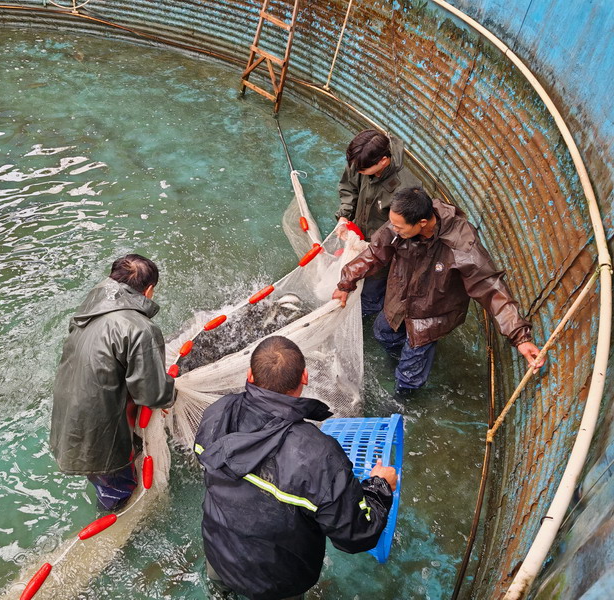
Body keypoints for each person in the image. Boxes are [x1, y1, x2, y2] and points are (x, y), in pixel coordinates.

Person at [194, 336, 397, 600]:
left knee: (221, 591)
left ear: (249, 375)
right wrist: (380, 486)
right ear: (305, 377)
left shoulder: (216, 413)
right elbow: (357, 534)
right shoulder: (319, 455)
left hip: (219, 554)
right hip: (277, 581)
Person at [332, 187, 544, 394]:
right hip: (398, 301)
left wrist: (520, 338)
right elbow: (375, 254)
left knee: (408, 379)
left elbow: (490, 288)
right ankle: (403, 356)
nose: (392, 230)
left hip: (431, 316)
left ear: (422, 223)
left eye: (399, 227)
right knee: (382, 334)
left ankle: (406, 397)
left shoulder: (462, 246)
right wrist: (346, 283)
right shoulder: (401, 223)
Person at [50, 254, 175, 511]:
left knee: (100, 479)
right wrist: (172, 388)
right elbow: (152, 395)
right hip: (100, 439)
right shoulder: (140, 329)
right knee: (117, 491)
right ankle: (115, 519)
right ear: (149, 290)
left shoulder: (87, 311)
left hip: (66, 424)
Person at [336, 129, 422, 316]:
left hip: (383, 251)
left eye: (361, 170)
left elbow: (401, 236)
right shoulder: (360, 162)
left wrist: (370, 249)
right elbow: (349, 187)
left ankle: (367, 310)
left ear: (383, 161)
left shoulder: (405, 190)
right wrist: (344, 215)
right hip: (360, 236)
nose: (356, 171)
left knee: (371, 292)